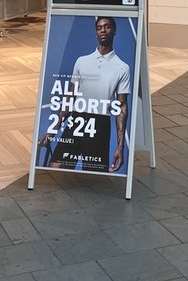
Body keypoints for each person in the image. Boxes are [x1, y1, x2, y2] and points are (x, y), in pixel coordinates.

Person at [38, 17, 131, 172]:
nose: (103, 30)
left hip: (100, 125)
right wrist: (52, 130)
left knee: (93, 176)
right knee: (55, 168)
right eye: (99, 27)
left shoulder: (122, 68)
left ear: (114, 31)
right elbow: (70, 97)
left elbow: (121, 107)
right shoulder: (82, 61)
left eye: (107, 26)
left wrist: (120, 147)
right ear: (96, 33)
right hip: (77, 120)